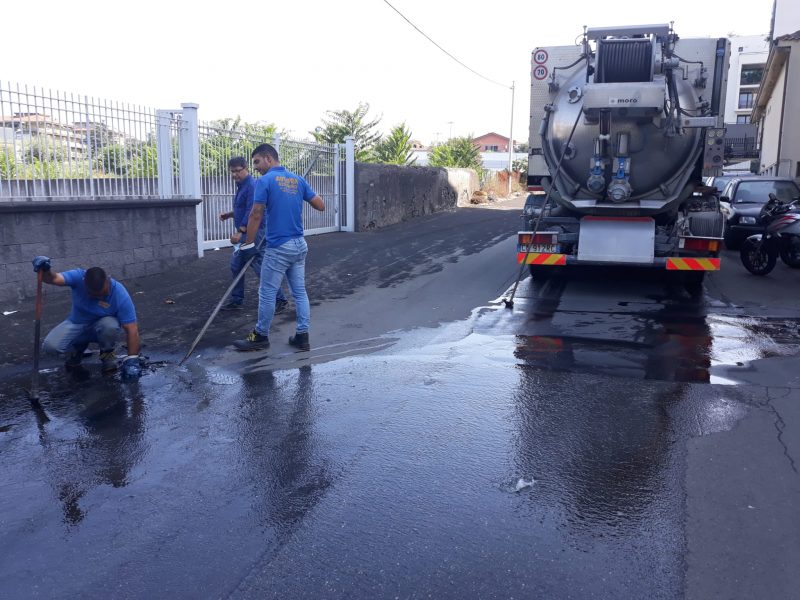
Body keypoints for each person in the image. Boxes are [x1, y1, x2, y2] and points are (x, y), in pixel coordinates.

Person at [234, 143, 325, 352]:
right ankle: (302, 336)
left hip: (278, 247)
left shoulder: (264, 181)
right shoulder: (298, 180)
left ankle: (260, 336)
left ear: (268, 158)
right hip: (299, 245)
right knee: (299, 292)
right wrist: (299, 190)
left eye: (256, 162)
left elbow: (256, 214)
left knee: (267, 292)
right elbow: (320, 205)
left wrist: (248, 243)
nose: (255, 167)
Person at [31, 256, 142, 378]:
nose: (99, 297)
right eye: (95, 295)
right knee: (50, 346)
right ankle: (76, 351)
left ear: (108, 280)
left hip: (102, 328)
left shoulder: (119, 293)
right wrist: (46, 269)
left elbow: (131, 329)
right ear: (85, 283)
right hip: (77, 324)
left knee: (109, 325)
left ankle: (107, 355)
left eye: (103, 294)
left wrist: (132, 360)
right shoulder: (78, 277)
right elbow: (53, 278)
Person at [218, 156, 288, 313]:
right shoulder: (242, 185)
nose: (235, 174)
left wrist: (240, 231)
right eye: (232, 171)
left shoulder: (251, 185)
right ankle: (237, 300)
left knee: (259, 266)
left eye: (238, 170)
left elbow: (253, 210)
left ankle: (280, 299)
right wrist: (230, 214)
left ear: (246, 169)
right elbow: (242, 208)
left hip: (253, 233)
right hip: (246, 233)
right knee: (236, 266)